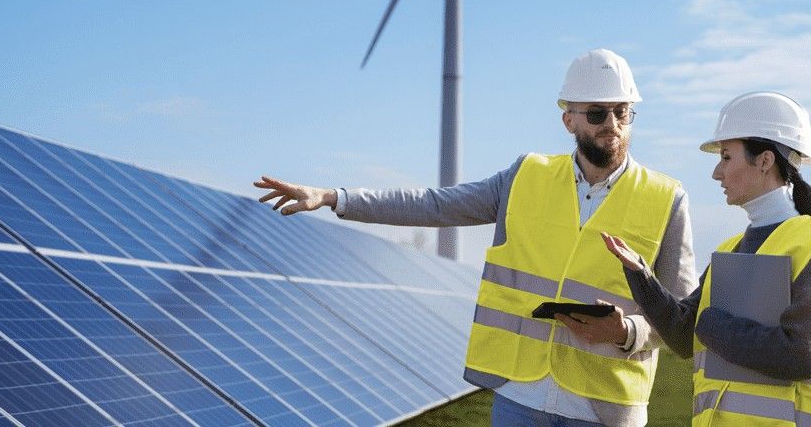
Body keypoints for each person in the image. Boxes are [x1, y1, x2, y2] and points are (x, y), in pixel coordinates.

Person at [256, 49, 696, 427]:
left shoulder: (666, 198)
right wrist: (336, 196)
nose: (613, 124)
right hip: (519, 398)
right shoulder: (526, 176)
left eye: (623, 112)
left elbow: (680, 317)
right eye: (598, 114)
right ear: (568, 120)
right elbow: (434, 204)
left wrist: (627, 332)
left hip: (606, 406)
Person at [601, 92, 811, 427]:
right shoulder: (731, 249)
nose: (716, 172)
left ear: (765, 161)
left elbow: (803, 355)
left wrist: (712, 324)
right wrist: (641, 276)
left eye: (727, 157)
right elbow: (685, 337)